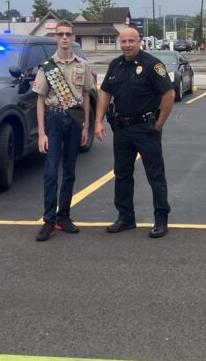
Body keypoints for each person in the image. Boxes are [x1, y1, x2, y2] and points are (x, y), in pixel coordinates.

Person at [94, 26, 175, 238]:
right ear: (120, 43)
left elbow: (169, 94)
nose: (127, 45)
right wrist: (98, 121)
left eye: (131, 41)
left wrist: (160, 123)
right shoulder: (115, 65)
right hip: (121, 128)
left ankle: (161, 219)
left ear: (140, 42)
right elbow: (105, 93)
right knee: (122, 174)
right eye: (124, 41)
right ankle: (126, 217)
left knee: (155, 175)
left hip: (145, 129)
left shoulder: (152, 65)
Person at [33, 21, 94, 242]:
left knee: (69, 171)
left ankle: (63, 216)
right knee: (50, 172)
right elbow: (40, 100)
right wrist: (41, 132)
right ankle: (48, 221)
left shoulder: (82, 65)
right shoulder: (47, 66)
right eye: (61, 34)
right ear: (56, 38)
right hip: (54, 118)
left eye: (68, 34)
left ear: (73, 37)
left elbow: (86, 96)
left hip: (75, 120)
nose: (65, 38)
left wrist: (86, 126)